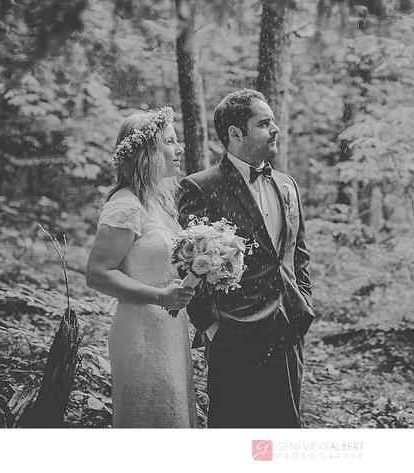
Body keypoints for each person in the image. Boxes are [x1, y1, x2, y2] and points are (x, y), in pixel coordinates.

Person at [178, 89, 314, 428]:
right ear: (235, 135)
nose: (275, 129)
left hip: (287, 331)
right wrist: (211, 327)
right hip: (233, 337)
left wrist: (303, 304)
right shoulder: (201, 187)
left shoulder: (287, 186)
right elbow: (187, 262)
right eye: (263, 123)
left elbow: (298, 255)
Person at [86, 107, 198, 428]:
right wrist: (160, 296)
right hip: (140, 332)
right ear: (146, 151)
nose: (180, 149)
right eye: (170, 141)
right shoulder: (126, 204)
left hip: (171, 330)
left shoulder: (159, 203)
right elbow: (98, 274)